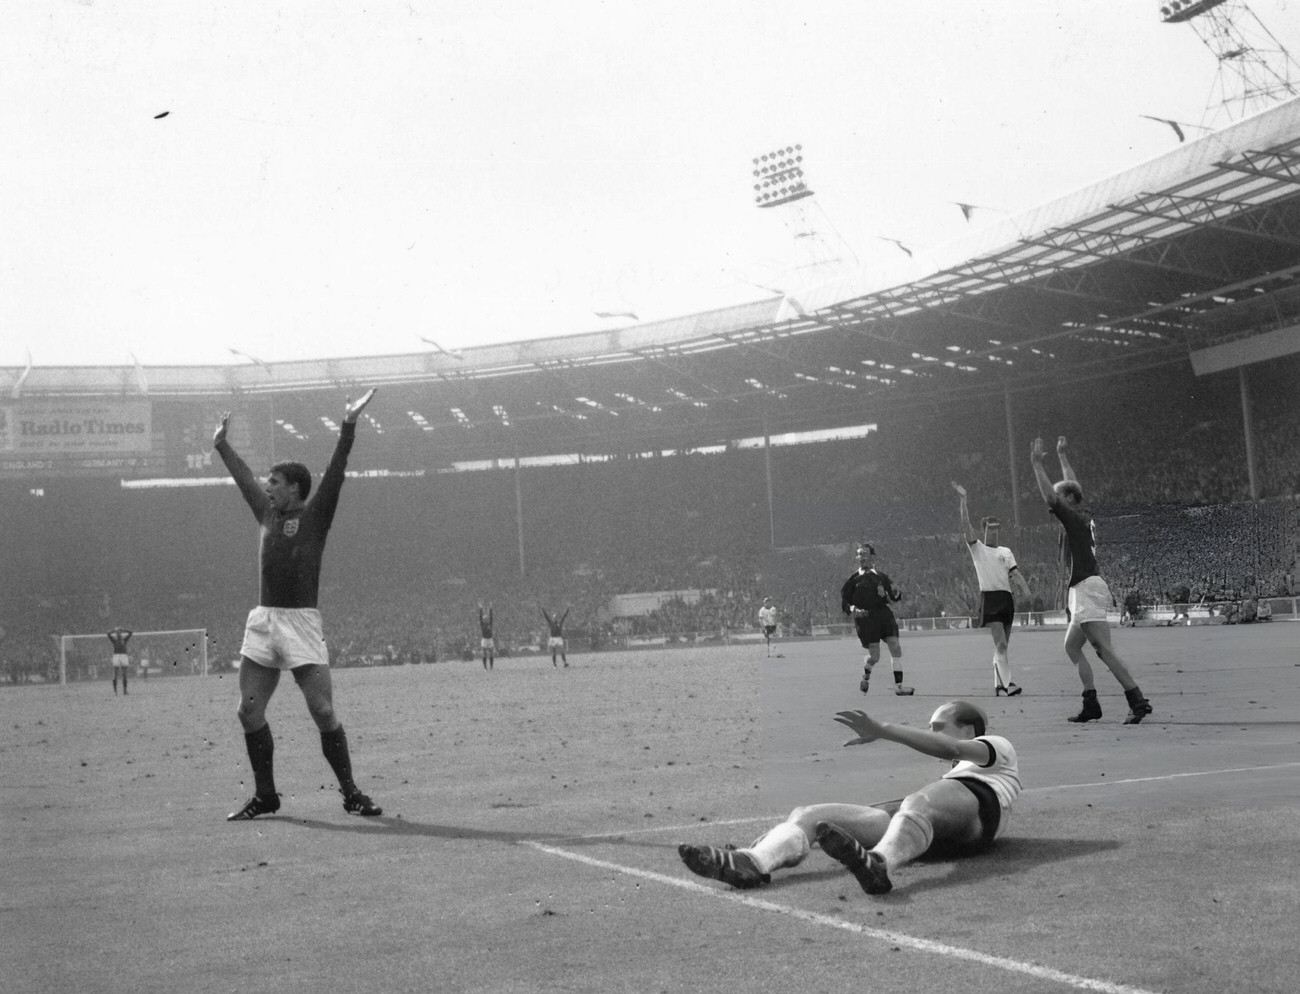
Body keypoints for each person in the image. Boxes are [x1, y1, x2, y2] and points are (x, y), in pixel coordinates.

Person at [214, 390, 383, 821]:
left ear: (295, 488)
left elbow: (338, 473)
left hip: (302, 623)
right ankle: (266, 795)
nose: (266, 488)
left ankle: (350, 793)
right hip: (264, 620)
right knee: (248, 711)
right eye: (267, 483)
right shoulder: (266, 516)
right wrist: (221, 445)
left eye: (274, 483)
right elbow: (244, 480)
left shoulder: (316, 516)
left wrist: (347, 426)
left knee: (323, 710)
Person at [678, 700, 1019, 896]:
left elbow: (952, 748)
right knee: (812, 816)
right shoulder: (951, 779)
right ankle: (752, 861)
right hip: (930, 831)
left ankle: (879, 864)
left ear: (971, 730)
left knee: (917, 802)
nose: (930, 732)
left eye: (937, 725)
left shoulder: (997, 747)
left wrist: (883, 729)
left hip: (978, 813)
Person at [1031, 435, 1153, 725]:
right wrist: (1061, 456)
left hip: (1087, 586)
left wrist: (1036, 464)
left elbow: (1054, 495)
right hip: (1082, 588)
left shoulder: (1072, 518)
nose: (1055, 504)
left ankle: (1138, 700)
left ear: (1068, 501)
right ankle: (1091, 704)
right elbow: (1071, 486)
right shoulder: (1080, 514)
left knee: (1103, 650)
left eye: (1062, 498)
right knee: (1072, 647)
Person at [953, 483, 1031, 696]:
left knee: (1002, 646)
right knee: (1001, 644)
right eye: (990, 528)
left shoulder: (1006, 551)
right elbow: (965, 525)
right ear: (984, 530)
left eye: (997, 528)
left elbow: (1014, 573)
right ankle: (1008, 685)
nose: (994, 532)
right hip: (990, 599)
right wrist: (964, 501)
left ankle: (998, 684)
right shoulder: (978, 548)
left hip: (1007, 600)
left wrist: (1026, 591)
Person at [840, 542, 912, 695]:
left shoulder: (881, 577)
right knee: (875, 656)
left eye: (865, 553)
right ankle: (866, 673)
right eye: (860, 554)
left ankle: (899, 687)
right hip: (866, 620)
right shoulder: (852, 580)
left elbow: (894, 597)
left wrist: (894, 593)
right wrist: (854, 609)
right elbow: (845, 603)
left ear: (872, 557)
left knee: (895, 647)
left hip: (883, 615)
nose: (862, 557)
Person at [107, 626, 132, 696]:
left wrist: (124, 629)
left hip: (124, 656)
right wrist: (113, 630)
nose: (119, 633)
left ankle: (125, 690)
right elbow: (108, 634)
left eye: (119, 632)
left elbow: (130, 633)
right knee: (115, 674)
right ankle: (115, 691)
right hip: (116, 656)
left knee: (124, 674)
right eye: (117, 632)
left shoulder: (124, 640)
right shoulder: (114, 640)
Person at [478, 602, 495, 670]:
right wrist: (481, 609)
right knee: (484, 654)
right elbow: (480, 617)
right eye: (485, 618)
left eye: (487, 618)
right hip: (484, 639)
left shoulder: (490, 624)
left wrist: (490, 609)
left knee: (491, 653)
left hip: (490, 639)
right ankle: (485, 668)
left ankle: (491, 667)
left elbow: (491, 617)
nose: (486, 619)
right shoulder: (482, 624)